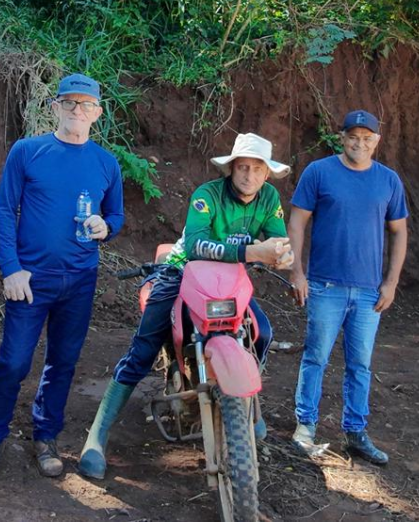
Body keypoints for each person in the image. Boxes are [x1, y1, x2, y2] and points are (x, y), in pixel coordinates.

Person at [77, 132, 293, 480]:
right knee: (144, 347)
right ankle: (96, 438)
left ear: (267, 173)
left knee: (261, 332)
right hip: (181, 272)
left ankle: (248, 406)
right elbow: (194, 245)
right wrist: (254, 252)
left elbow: (277, 239)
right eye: (242, 167)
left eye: (256, 169)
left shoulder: (269, 198)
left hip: (229, 281)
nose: (248, 175)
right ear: (231, 168)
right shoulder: (206, 195)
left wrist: (283, 254)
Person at [0, 73, 125, 482]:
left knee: (64, 362)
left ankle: (46, 436)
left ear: (98, 113)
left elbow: (117, 215)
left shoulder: (106, 163)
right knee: (14, 361)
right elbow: (5, 211)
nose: (78, 111)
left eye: (86, 105)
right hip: (30, 280)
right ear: (54, 107)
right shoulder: (28, 151)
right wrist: (11, 268)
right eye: (70, 103)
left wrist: (105, 227)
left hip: (80, 279)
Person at [288, 110, 408, 465]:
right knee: (316, 357)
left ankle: (355, 432)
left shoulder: (388, 181)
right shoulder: (319, 172)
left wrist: (391, 282)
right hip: (325, 286)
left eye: (367, 137)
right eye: (353, 136)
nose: (360, 143)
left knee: (360, 364)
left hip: (370, 291)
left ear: (377, 140)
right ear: (341, 137)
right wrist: (298, 272)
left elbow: (399, 231)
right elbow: (297, 222)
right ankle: (305, 427)